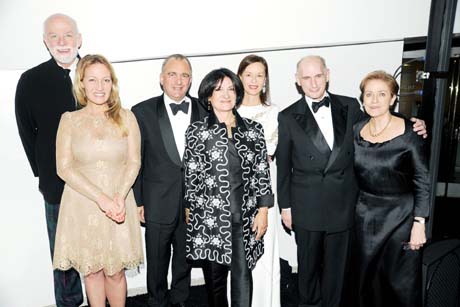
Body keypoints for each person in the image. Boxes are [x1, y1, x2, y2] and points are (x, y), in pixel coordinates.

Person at [276, 55, 427, 307]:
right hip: (307, 206)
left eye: (318, 76)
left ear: (328, 74)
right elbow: (283, 166)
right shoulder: (288, 116)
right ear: (297, 81)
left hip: (345, 206)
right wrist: (286, 206)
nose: (313, 83)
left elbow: (379, 114)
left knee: (338, 274)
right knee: (308, 273)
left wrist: (412, 121)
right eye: (306, 78)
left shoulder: (350, 106)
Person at [53, 54, 144, 307]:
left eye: (105, 80)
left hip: (119, 200)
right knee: (91, 271)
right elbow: (64, 167)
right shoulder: (69, 120)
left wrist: (117, 198)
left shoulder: (127, 118)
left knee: (115, 272)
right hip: (82, 203)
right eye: (92, 80)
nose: (99, 86)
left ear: (112, 83)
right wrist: (101, 199)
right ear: (81, 83)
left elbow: (134, 162)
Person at [184, 68, 274, 307]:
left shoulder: (254, 131)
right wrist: (192, 213)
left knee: (243, 276)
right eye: (218, 89)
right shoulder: (197, 131)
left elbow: (262, 173)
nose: (225, 95)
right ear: (208, 96)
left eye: (231, 89)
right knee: (215, 281)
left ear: (238, 94)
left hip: (245, 216)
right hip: (211, 218)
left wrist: (263, 211)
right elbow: (191, 176)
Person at [15, 13, 84, 307]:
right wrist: (43, 169)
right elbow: (27, 131)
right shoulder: (30, 80)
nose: (61, 42)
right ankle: (68, 303)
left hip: (102, 183)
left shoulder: (97, 72)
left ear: (79, 39)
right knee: (64, 255)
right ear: (45, 42)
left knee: (103, 253)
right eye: (54, 36)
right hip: (57, 185)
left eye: (67, 35)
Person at [131, 54, 207, 307]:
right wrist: (138, 201)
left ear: (191, 80)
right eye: (172, 74)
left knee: (185, 260)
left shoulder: (205, 110)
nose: (178, 80)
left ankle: (180, 300)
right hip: (156, 201)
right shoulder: (141, 112)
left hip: (193, 203)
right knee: (157, 260)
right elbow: (136, 160)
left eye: (184, 75)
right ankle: (156, 301)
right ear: (161, 79)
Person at [353, 71, 429, 307]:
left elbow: (422, 179)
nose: (375, 100)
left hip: (402, 217)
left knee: (400, 284)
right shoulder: (355, 130)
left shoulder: (411, 133)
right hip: (365, 215)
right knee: (366, 279)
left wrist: (420, 223)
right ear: (362, 99)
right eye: (369, 94)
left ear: (393, 98)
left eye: (382, 94)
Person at [236, 54, 283, 307]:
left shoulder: (274, 112)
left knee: (264, 252)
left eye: (259, 75)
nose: (254, 80)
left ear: (265, 80)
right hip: (233, 191)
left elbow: (271, 152)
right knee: (238, 254)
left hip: (264, 188)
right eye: (249, 74)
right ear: (240, 77)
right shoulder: (228, 110)